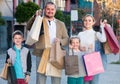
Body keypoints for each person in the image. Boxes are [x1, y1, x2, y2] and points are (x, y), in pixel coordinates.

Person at [26, 2, 68, 84]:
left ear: (55, 10)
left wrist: (60, 41)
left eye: (52, 9)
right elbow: (28, 27)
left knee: (56, 80)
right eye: (48, 9)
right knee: (40, 79)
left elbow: (66, 38)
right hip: (41, 53)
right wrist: (35, 17)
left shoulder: (61, 24)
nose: (50, 11)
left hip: (56, 54)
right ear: (45, 10)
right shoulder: (39, 20)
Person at [78, 14, 106, 84]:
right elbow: (75, 46)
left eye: (89, 20)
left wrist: (102, 27)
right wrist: (80, 48)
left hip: (94, 61)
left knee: (94, 82)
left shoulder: (96, 34)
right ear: (83, 22)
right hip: (82, 61)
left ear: (93, 22)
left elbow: (103, 39)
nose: (87, 22)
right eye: (85, 20)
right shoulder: (80, 34)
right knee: (85, 83)